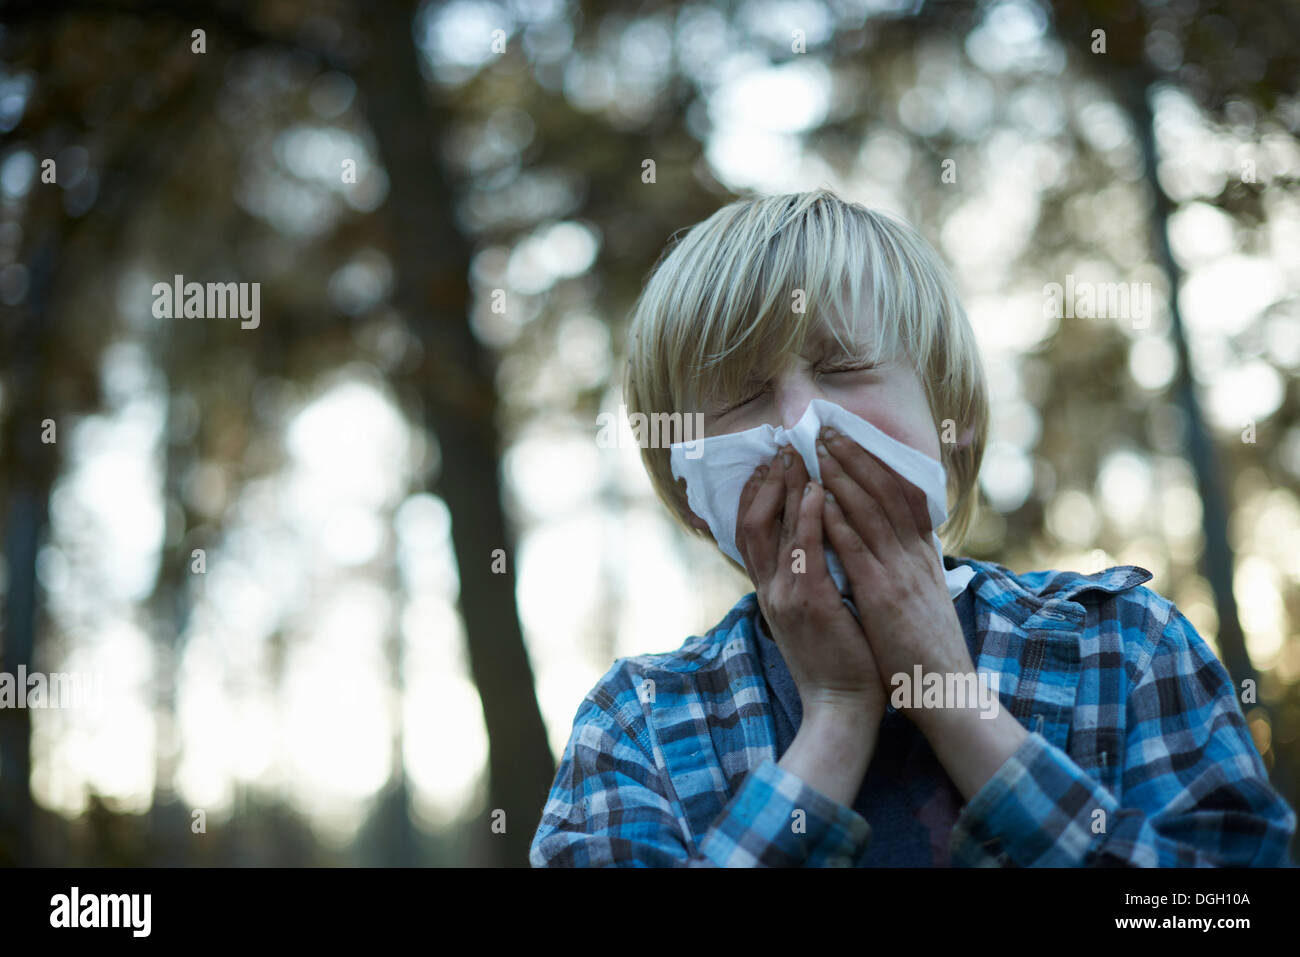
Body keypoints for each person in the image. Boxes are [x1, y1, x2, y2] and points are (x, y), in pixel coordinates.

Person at [528, 187, 1297, 866]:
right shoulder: (639, 725)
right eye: (745, 395)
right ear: (690, 482)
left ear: (949, 417)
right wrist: (834, 715)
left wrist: (951, 695)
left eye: (842, 369)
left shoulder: (1121, 647)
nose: (800, 425)